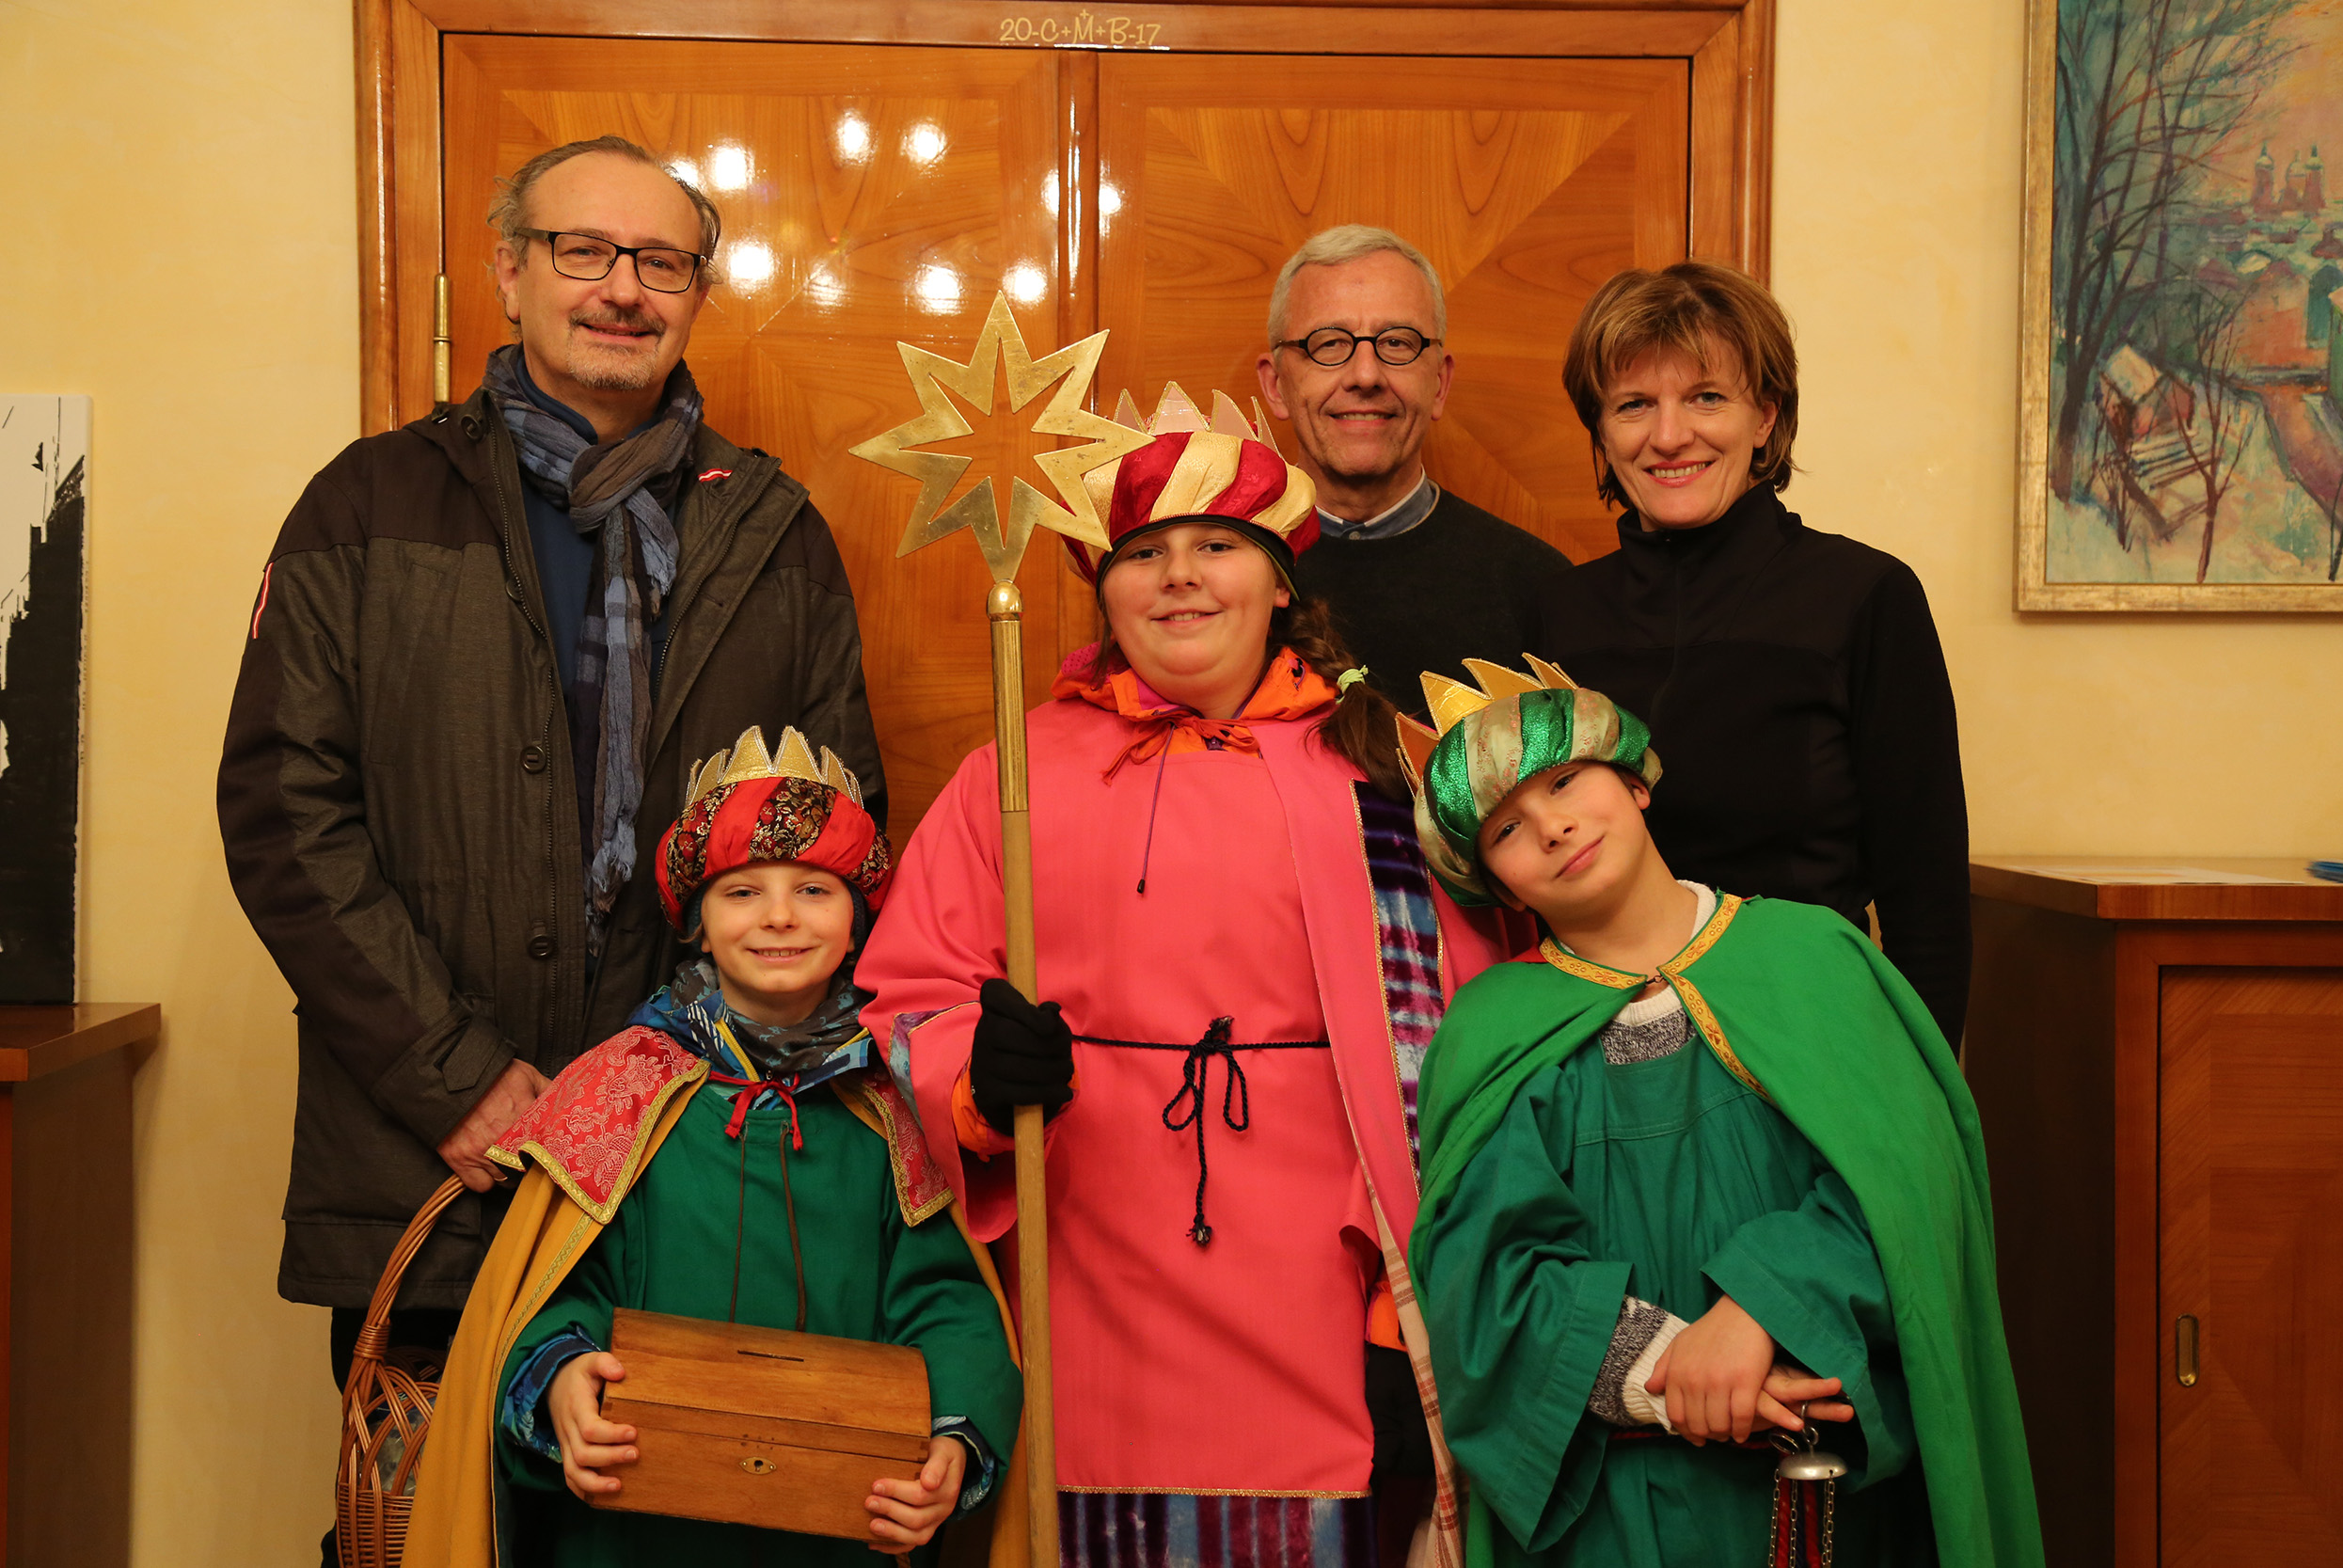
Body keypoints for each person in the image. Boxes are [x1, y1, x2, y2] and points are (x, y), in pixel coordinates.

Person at [216, 133, 884, 1461]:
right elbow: (287, 815)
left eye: (660, 261)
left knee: (675, 1533)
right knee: (425, 1528)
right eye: (584, 250)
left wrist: (703, 1089)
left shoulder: (773, 525)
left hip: (703, 1168)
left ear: (697, 293)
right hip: (434, 1162)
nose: (621, 288)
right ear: (510, 270)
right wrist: (457, 1079)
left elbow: (837, 838)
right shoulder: (366, 503)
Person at [856, 388, 1515, 1568]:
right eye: (1142, 554)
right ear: (1102, 592)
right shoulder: (1012, 767)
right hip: (1087, 1251)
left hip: (1322, 1271)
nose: (1179, 577)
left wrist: (1397, 1273)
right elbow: (909, 1001)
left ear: (1279, 586)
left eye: (1217, 545)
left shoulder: (1377, 771)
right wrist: (974, 1075)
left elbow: (1471, 1036)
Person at [1398, 657, 2042, 1568]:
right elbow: (1485, 1274)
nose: (1553, 825)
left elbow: (1905, 1182)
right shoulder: (1491, 1028)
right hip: (1617, 1504)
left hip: (1827, 1470)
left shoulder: (1812, 953)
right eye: (1507, 827)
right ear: (1496, 884)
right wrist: (1671, 1370)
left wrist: (1757, 1313)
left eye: (1566, 780)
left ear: (1634, 780)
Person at [404, 726, 1021, 1567]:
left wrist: (954, 1437)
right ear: (695, 921)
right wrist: (561, 1379)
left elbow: (948, 1303)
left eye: (814, 889)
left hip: (835, 1528)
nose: (778, 916)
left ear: (857, 921)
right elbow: (554, 1285)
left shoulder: (895, 1107)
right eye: (741, 892)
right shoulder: (620, 1090)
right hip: (630, 1530)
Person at [1538, 261, 1971, 1045]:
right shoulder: (1557, 613)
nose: (1670, 436)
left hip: (1810, 1039)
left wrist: (1920, 1097)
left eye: (1707, 397)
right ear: (1601, 429)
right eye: (1635, 404)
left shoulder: (1863, 596)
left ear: (1765, 417)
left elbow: (1926, 896)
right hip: (1607, 1057)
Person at [1255, 226, 1570, 716]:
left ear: (1440, 384)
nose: (1365, 376)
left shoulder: (1537, 588)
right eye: (1329, 344)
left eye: (1397, 343)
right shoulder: (1211, 582)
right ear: (1276, 385)